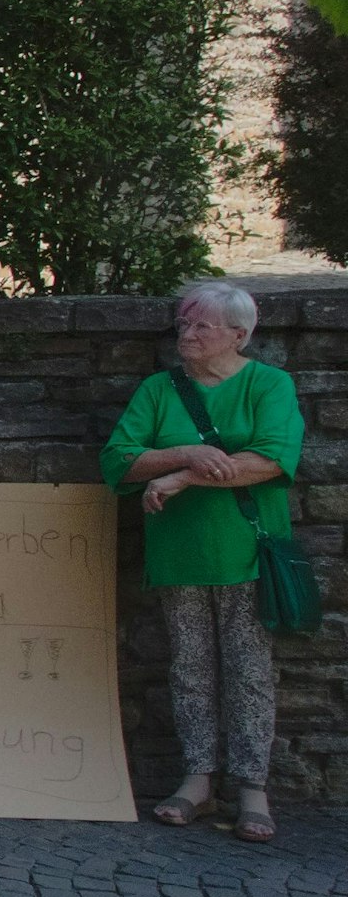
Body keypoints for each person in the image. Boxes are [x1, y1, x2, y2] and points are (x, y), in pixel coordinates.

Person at [101, 282, 304, 845]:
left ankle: (252, 789)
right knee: (189, 669)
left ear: (239, 335)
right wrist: (187, 453)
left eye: (201, 327)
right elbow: (119, 460)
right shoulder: (159, 389)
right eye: (183, 325)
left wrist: (184, 476)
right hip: (179, 555)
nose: (187, 335)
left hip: (246, 552)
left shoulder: (270, 385)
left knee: (249, 673)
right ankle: (196, 780)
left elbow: (271, 459)